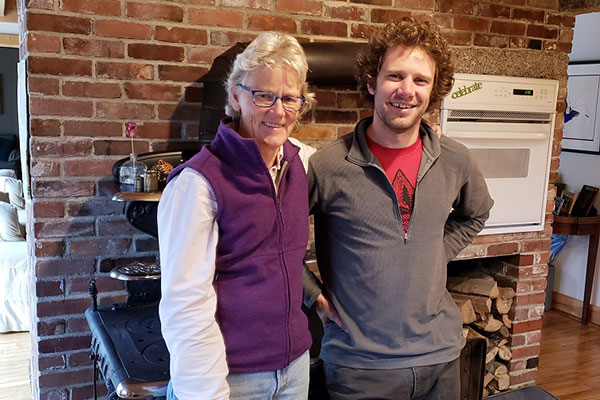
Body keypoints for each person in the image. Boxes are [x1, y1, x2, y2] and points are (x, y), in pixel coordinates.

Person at [303, 18, 494, 400]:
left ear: (433, 91)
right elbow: (276, 242)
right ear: (372, 82)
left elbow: (475, 214)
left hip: (440, 358)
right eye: (395, 76)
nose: (407, 90)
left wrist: (436, 251)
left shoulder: (455, 159)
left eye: (420, 80)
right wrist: (315, 297)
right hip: (359, 366)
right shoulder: (327, 166)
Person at [158, 31, 317, 400]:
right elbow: (186, 305)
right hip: (232, 379)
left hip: (295, 370)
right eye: (263, 95)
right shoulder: (197, 183)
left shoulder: (301, 163)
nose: (278, 112)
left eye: (290, 99)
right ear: (234, 95)